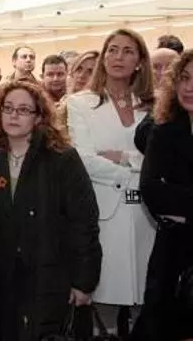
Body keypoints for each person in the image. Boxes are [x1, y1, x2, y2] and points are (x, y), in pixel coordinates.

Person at [0, 81, 101, 341]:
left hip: (47, 275)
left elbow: (83, 222)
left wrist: (84, 282)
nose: (13, 115)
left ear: (39, 117)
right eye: (8, 108)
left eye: (24, 110)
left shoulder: (62, 158)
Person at [66, 28, 156, 338]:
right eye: (112, 50)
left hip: (147, 215)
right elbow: (84, 159)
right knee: (104, 301)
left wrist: (124, 158)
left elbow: (163, 158)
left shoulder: (153, 104)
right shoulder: (81, 103)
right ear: (104, 57)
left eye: (128, 51)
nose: (119, 57)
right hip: (104, 214)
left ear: (140, 61)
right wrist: (138, 169)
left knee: (146, 298)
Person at [132, 50, 193, 340]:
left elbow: (167, 193)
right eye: (184, 78)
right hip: (172, 251)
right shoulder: (163, 129)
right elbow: (151, 189)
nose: (189, 87)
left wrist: (182, 209)